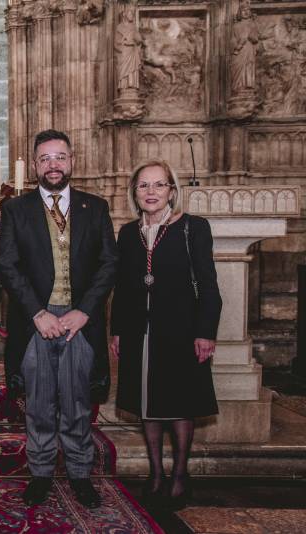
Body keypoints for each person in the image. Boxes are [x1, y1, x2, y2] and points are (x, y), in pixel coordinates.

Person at [0, 129, 117, 509]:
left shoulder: (95, 208)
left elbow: (109, 264)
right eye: (45, 158)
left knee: (77, 402)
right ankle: (42, 473)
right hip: (37, 322)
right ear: (34, 165)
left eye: (60, 157)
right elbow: (7, 265)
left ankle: (81, 474)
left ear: (72, 161)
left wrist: (84, 311)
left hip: (81, 321)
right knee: (40, 404)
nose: (53, 165)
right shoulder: (16, 209)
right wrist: (37, 312)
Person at [110, 160, 221, 509]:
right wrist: (116, 331)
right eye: (144, 186)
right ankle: (156, 473)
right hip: (139, 331)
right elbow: (124, 287)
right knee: (148, 403)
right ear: (134, 192)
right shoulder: (128, 233)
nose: (151, 192)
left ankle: (180, 475)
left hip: (181, 330)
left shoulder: (192, 227)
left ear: (173, 190)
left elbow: (208, 285)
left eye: (159, 185)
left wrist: (205, 332)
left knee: (178, 403)